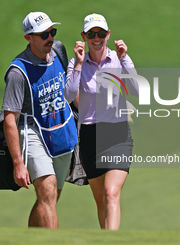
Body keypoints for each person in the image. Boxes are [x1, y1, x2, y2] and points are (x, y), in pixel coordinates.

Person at [2, 12, 77, 229]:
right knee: (47, 190)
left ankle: (32, 239)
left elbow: (69, 93)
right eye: (43, 35)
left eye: (52, 32)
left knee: (51, 197)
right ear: (28, 38)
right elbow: (9, 119)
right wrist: (18, 163)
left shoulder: (58, 51)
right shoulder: (18, 72)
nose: (50, 38)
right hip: (33, 133)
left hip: (61, 130)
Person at [64, 13, 139, 230]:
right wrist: (78, 64)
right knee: (101, 201)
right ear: (84, 36)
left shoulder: (119, 58)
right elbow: (69, 95)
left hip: (117, 134)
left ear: (108, 35)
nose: (96, 38)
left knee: (111, 193)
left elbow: (135, 89)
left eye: (101, 33)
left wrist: (125, 58)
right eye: (91, 33)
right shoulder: (76, 62)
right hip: (89, 136)